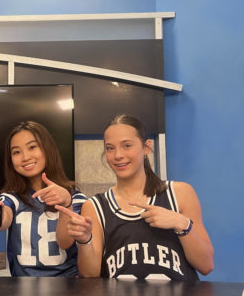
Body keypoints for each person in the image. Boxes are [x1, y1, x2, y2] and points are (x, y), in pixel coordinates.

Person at [56, 114, 214, 281]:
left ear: (146, 148)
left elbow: (206, 266)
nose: (118, 155)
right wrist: (84, 241)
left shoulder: (179, 193)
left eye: (127, 146)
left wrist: (181, 223)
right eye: (110, 148)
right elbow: (90, 275)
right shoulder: (95, 206)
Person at [0, 121, 87, 277]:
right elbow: (4, 216)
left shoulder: (76, 198)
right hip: (23, 290)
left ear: (48, 148)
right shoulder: (11, 198)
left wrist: (66, 203)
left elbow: (65, 242)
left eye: (32, 147)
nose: (25, 157)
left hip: (68, 290)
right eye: (16, 152)